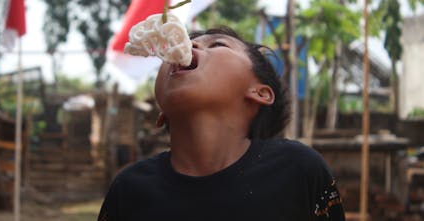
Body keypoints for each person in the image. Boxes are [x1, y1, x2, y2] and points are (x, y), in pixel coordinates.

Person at [98, 26, 345, 221]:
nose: (188, 44)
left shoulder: (299, 171)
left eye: (217, 44)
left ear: (260, 93)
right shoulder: (129, 190)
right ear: (161, 113)